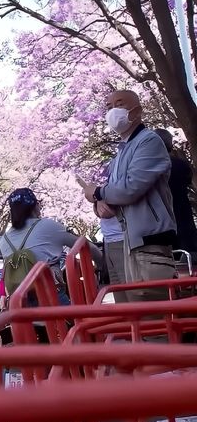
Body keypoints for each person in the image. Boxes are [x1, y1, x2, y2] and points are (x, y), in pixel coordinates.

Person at [78, 91, 176, 297]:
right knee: (138, 315)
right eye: (108, 106)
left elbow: (130, 188)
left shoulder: (149, 141)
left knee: (154, 314)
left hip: (150, 241)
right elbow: (114, 192)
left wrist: (96, 192)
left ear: (137, 111)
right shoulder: (122, 151)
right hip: (130, 243)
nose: (113, 111)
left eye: (119, 104)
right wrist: (99, 203)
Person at [0, 187, 102, 304]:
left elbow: (4, 275)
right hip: (51, 298)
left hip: (20, 304)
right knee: (76, 319)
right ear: (34, 206)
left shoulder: (4, 240)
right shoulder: (49, 226)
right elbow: (87, 246)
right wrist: (103, 266)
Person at [154, 129, 197, 257]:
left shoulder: (150, 167)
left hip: (161, 222)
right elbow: (188, 181)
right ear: (171, 144)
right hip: (184, 218)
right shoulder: (181, 165)